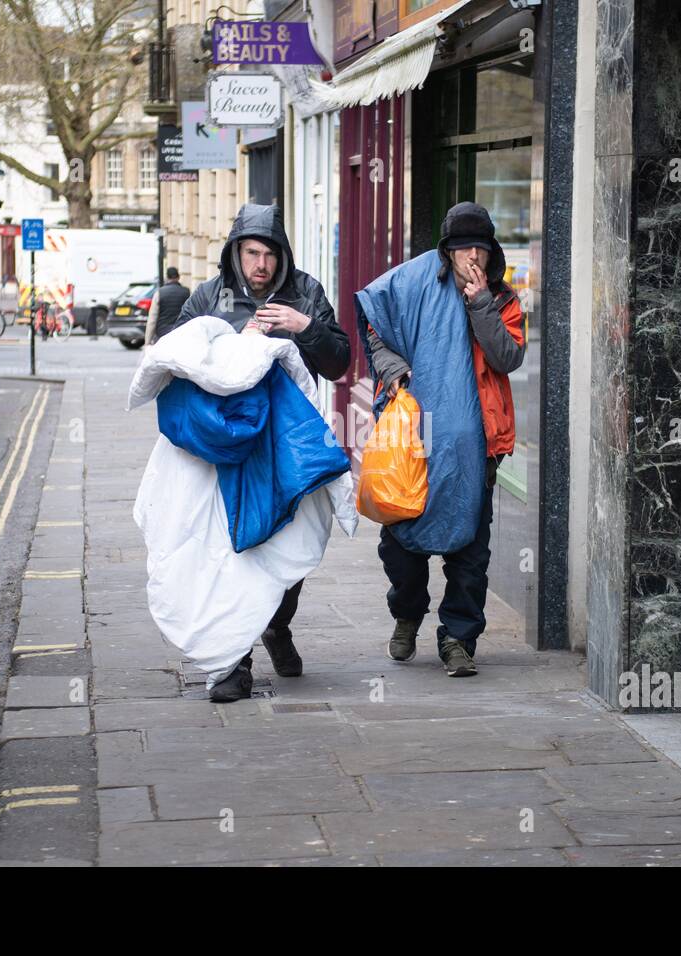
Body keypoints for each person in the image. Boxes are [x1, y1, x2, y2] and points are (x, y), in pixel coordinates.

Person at [165, 203, 350, 700]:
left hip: (287, 447)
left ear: (282, 256)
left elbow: (339, 362)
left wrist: (303, 325)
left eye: (269, 254)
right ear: (236, 252)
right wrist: (228, 348)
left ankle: (277, 625)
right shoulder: (208, 295)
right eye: (251, 253)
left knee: (291, 549)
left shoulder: (306, 291)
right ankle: (234, 664)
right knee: (232, 554)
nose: (261, 264)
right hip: (228, 447)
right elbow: (172, 356)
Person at [359, 201, 526, 677]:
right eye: (462, 248)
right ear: (446, 252)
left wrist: (480, 304)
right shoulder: (411, 286)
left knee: (470, 553)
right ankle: (407, 614)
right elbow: (375, 325)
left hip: (478, 447)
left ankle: (458, 638)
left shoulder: (504, 301)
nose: (472, 255)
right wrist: (392, 371)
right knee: (401, 545)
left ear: (492, 253)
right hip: (414, 444)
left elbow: (507, 358)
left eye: (480, 247)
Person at [144, 266, 191, 346]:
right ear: (178, 277)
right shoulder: (186, 292)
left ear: (167, 277)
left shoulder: (159, 293)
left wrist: (147, 342)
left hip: (162, 335)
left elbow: (152, 319)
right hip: (180, 333)